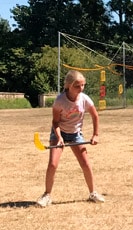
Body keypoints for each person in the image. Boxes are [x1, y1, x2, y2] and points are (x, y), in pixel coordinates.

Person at [36, 70, 105, 207]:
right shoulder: (60, 101)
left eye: (83, 85)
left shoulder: (84, 99)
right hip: (59, 133)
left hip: (75, 134)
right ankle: (47, 195)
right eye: (77, 86)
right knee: (52, 164)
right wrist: (59, 138)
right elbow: (55, 122)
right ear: (68, 85)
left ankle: (93, 193)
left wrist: (95, 134)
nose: (81, 89)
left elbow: (95, 116)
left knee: (85, 163)